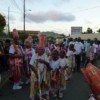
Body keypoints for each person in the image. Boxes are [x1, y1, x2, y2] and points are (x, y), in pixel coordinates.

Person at [29, 34, 50, 100]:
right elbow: (30, 65)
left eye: (42, 49)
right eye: (39, 49)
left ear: (44, 50)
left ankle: (39, 95)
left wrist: (43, 61)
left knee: (40, 84)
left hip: (42, 73)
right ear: (37, 50)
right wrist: (36, 73)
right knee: (34, 84)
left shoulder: (45, 56)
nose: (40, 50)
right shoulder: (34, 55)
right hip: (34, 73)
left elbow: (48, 65)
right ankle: (32, 96)